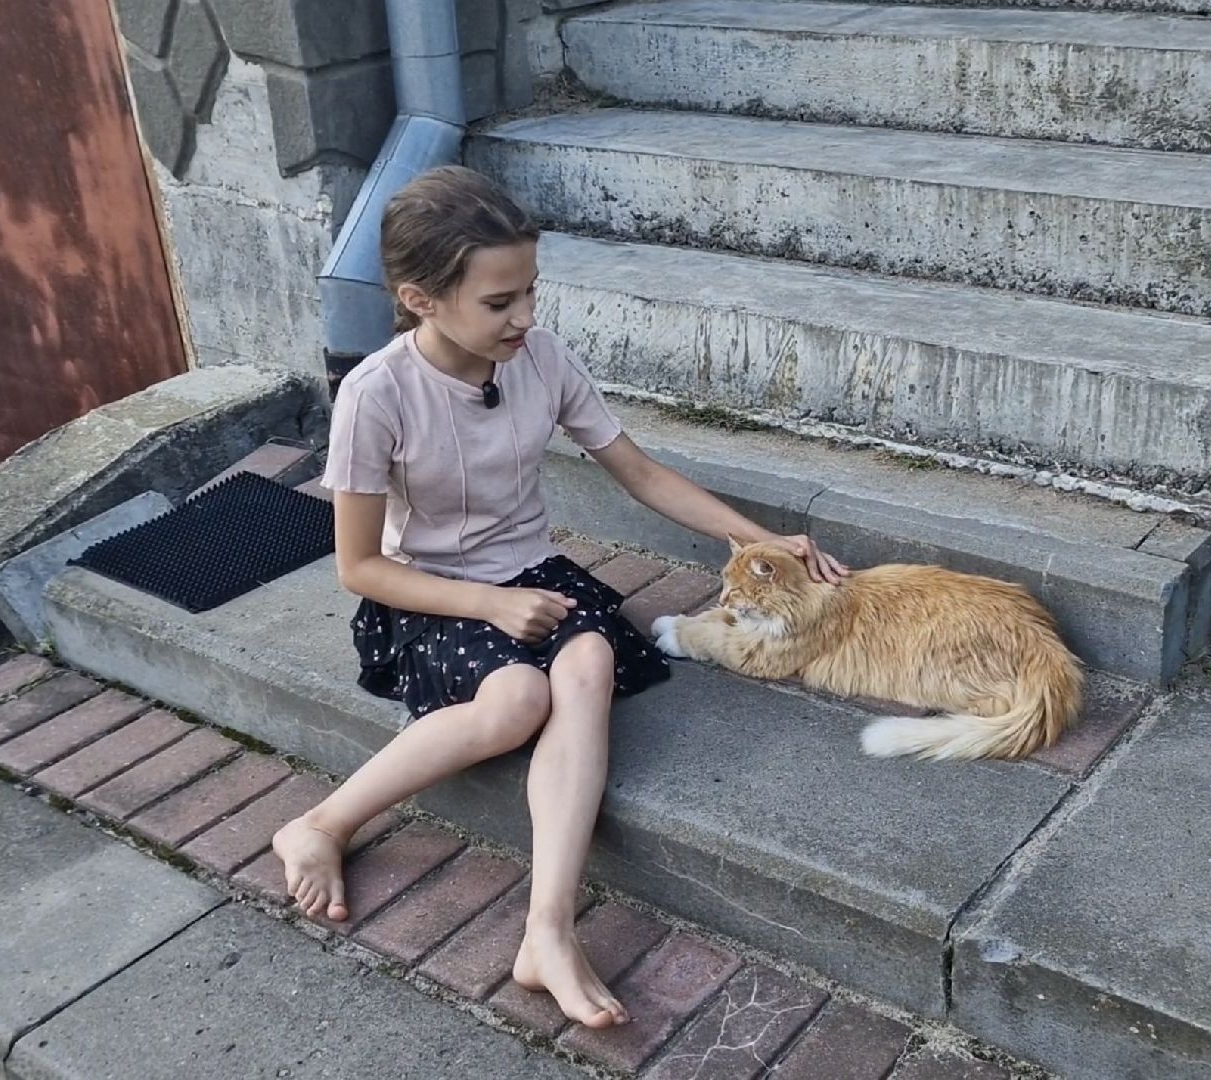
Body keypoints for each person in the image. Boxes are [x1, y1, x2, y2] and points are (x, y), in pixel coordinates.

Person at [271, 165, 847, 1029]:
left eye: (530, 292)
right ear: (420, 299)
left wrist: (755, 539)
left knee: (586, 660)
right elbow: (359, 568)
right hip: (431, 592)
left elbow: (639, 470)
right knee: (516, 699)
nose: (526, 318)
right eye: (499, 302)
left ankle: (547, 928)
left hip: (533, 573)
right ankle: (319, 822)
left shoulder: (541, 358)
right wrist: (489, 607)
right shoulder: (376, 395)